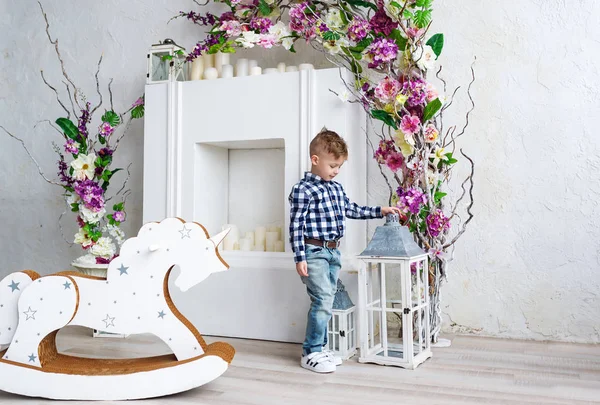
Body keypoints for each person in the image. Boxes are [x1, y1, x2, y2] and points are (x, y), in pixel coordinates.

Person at [288, 128, 401, 373]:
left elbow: (352, 209)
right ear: (315, 160)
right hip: (313, 251)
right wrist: (300, 257)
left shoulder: (336, 189)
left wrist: (379, 210)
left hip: (332, 252)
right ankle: (311, 352)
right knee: (323, 299)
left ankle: (321, 347)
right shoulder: (303, 190)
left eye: (339, 166)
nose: (336, 170)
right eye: (333, 165)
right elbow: (296, 225)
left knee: (326, 300)